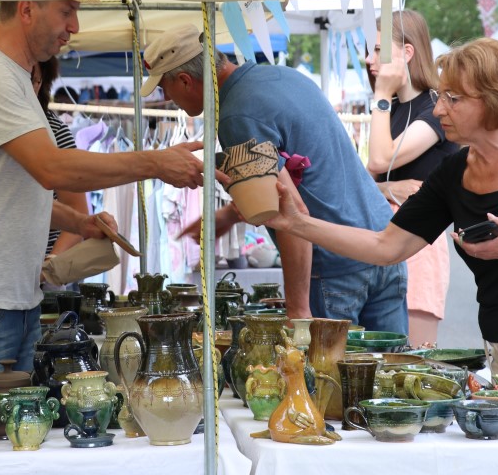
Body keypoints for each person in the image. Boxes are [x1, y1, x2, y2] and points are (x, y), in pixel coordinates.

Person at [0, 0, 214, 412]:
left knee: (10, 438)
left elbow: (2, 188)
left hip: (5, 302)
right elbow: (51, 168)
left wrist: (79, 222)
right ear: (27, 9)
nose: (75, 26)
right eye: (67, 10)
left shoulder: (13, 77)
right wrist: (155, 163)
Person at [265, 38, 498, 389]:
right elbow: (385, 247)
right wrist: (298, 223)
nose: (438, 110)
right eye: (441, 96)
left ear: (492, 100)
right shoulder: (454, 172)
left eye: (453, 98)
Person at [143, 23, 406, 332]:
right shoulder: (283, 77)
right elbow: (305, 176)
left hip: (335, 265)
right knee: (391, 361)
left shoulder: (236, 115)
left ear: (185, 80)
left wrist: (298, 310)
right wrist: (229, 215)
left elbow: (290, 212)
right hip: (383, 244)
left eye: (164, 88)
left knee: (329, 365)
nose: (166, 97)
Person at [365, 10, 459, 348]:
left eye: (379, 50)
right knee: (384, 358)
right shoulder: (391, 109)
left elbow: (379, 160)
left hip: (419, 245)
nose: (369, 59)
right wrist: (390, 188)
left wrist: (380, 95)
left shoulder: (434, 108)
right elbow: (363, 183)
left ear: (407, 52)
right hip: (384, 240)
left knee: (416, 358)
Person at [33, 57, 88, 267]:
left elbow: (77, 211)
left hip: (38, 272)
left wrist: (48, 268)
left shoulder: (55, 131)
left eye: (33, 79)